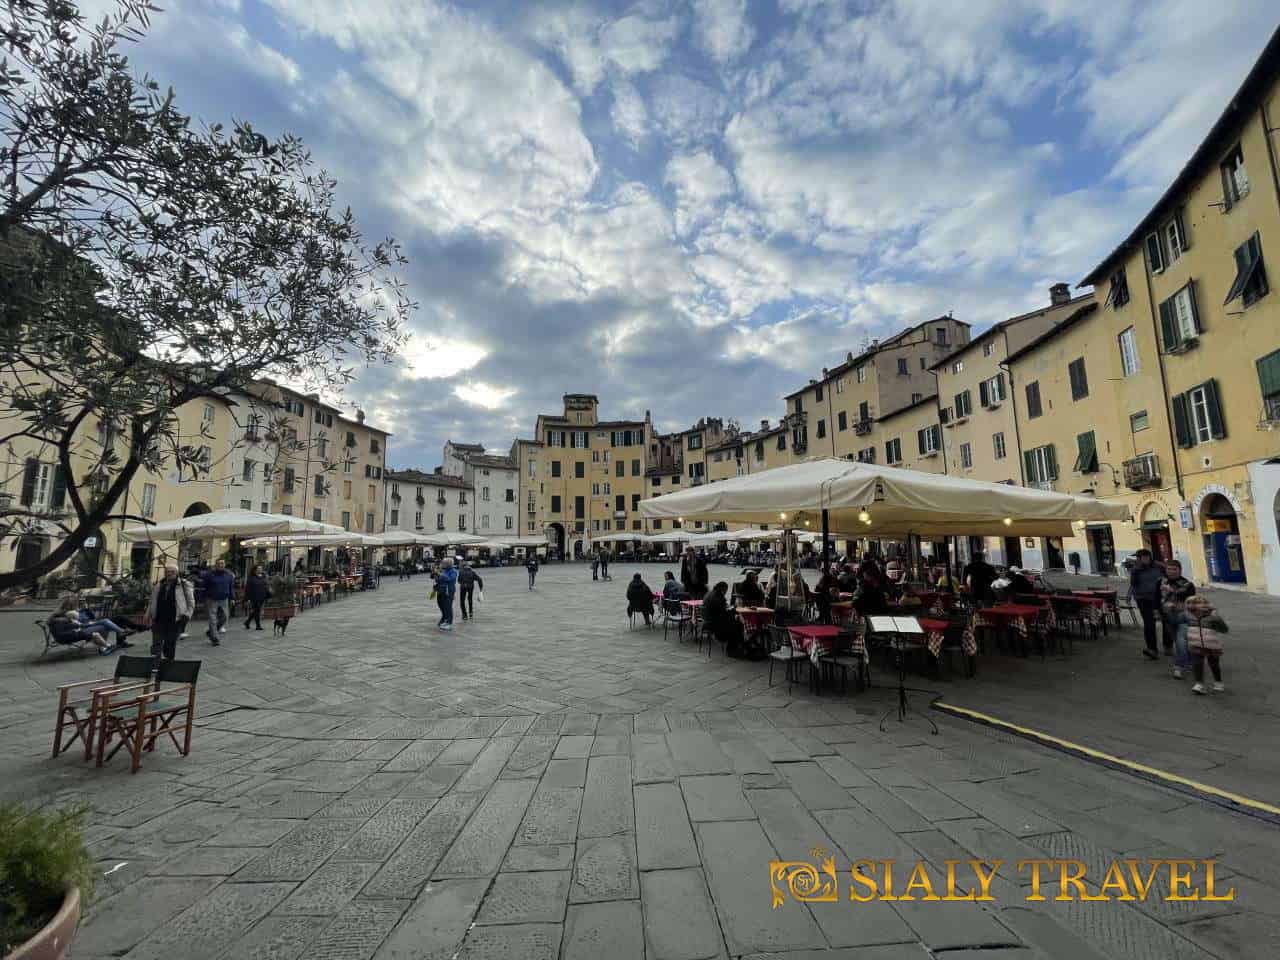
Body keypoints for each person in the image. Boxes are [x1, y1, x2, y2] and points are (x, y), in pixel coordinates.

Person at [148, 562, 194, 664]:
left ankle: (168, 664)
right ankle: (155, 665)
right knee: (156, 644)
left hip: (175, 619)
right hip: (159, 618)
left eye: (172, 572)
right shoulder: (159, 584)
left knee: (169, 644)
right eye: (167, 572)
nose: (169, 574)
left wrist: (187, 616)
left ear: (176, 573)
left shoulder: (184, 584)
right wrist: (148, 614)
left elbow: (191, 603)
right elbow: (152, 600)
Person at [1159, 560, 1196, 678]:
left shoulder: (1187, 584)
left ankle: (1179, 666)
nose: (1171, 571)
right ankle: (1190, 661)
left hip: (1182, 617)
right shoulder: (1161, 582)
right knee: (1178, 641)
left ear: (1180, 570)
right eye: (1169, 569)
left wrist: (1172, 593)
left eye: (1174, 569)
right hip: (1167, 617)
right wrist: (1156, 611)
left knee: (1180, 641)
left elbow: (1192, 602)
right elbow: (1156, 598)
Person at [51, 596, 128, 653]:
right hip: (81, 629)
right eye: (76, 604)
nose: (78, 605)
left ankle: (104, 646)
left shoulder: (77, 611)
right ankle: (109, 643)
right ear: (71, 605)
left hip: (84, 626)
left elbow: (92, 617)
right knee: (104, 624)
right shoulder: (68, 614)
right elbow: (68, 626)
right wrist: (75, 623)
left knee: (105, 623)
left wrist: (86, 609)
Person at [1184, 595, 1225, 694]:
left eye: (1197, 603)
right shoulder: (1187, 616)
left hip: (1211, 645)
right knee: (1197, 664)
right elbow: (1177, 622)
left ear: (1206, 605)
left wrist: (1216, 618)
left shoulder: (1212, 616)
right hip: (1195, 644)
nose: (1193, 605)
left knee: (1214, 664)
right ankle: (1199, 684)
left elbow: (1224, 629)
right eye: (1189, 603)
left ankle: (1218, 682)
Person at [1129, 548, 1164, 661]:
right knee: (1149, 624)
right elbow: (1133, 584)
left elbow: (1168, 575)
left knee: (1167, 621)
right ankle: (1152, 649)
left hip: (1159, 598)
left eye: (1139, 558)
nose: (1138, 560)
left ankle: (1168, 645)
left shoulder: (1158, 567)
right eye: (1138, 558)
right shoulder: (1136, 570)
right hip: (1143, 599)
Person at [702, 581, 746, 655]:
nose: (725, 593)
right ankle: (732, 649)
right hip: (716, 625)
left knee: (735, 622)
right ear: (723, 589)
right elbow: (723, 613)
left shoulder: (709, 593)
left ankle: (737, 647)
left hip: (708, 621)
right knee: (737, 625)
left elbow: (721, 610)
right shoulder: (717, 597)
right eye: (726, 591)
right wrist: (734, 612)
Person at [200, 558, 236, 646]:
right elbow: (204, 586)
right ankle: (214, 638)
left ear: (224, 565)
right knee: (212, 619)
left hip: (224, 599)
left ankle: (211, 631)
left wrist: (232, 598)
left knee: (225, 617)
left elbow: (231, 587)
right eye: (219, 563)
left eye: (222, 563)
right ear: (215, 565)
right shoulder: (209, 575)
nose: (221, 565)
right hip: (211, 599)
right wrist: (203, 597)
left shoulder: (229, 575)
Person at [243, 565, 271, 631]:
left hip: (262, 596)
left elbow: (266, 586)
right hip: (254, 597)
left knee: (256, 610)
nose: (260, 570)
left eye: (261, 568)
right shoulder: (251, 578)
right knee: (257, 611)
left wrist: (268, 594)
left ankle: (247, 622)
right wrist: (247, 598)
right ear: (255, 570)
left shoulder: (264, 576)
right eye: (258, 569)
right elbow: (248, 589)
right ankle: (258, 626)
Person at [434, 556, 458, 630]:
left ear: (448, 564)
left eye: (444, 563)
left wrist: (440, 574)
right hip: (441, 590)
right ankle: (445, 618)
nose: (442, 564)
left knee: (448, 606)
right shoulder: (444, 570)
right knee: (441, 605)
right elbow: (439, 580)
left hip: (448, 590)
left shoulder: (453, 571)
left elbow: (449, 579)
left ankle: (449, 623)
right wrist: (436, 575)